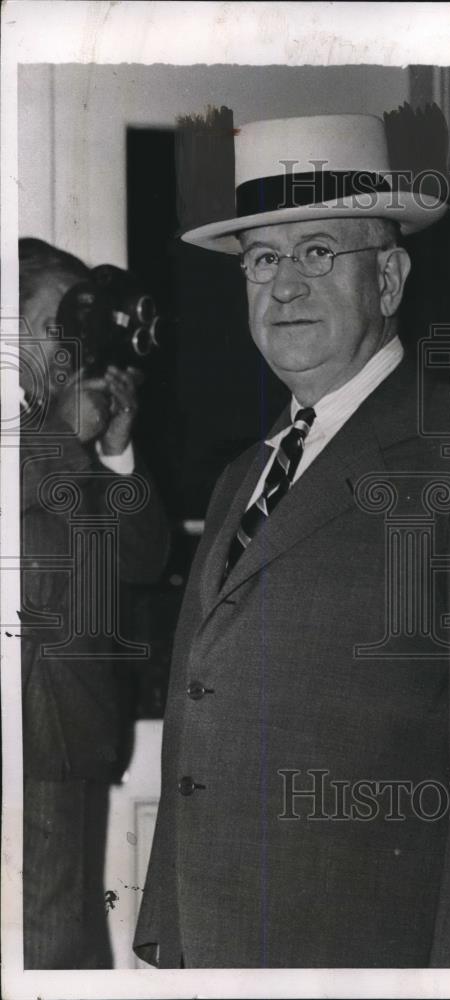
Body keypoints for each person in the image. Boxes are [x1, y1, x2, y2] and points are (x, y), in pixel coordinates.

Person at [134, 113, 450, 968]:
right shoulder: (243, 472)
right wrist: (167, 931)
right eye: (263, 260)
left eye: (319, 252)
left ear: (389, 278)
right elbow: (200, 708)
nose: (283, 287)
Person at [19, 238, 169, 968]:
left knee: (72, 939)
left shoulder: (67, 436)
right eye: (59, 324)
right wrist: (64, 438)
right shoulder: (37, 436)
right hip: (27, 735)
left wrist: (115, 452)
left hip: (76, 727)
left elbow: (145, 563)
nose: (74, 343)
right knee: (41, 943)